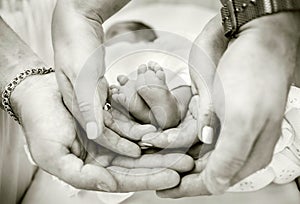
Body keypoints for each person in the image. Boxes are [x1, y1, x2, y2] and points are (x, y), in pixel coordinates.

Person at [51, 0, 300, 197]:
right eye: (111, 31)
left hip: (135, 82)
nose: (113, 32)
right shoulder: (106, 48)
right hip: (120, 84)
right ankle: (160, 110)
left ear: (148, 35)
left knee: (188, 86)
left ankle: (165, 110)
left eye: (122, 30)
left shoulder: (161, 44)